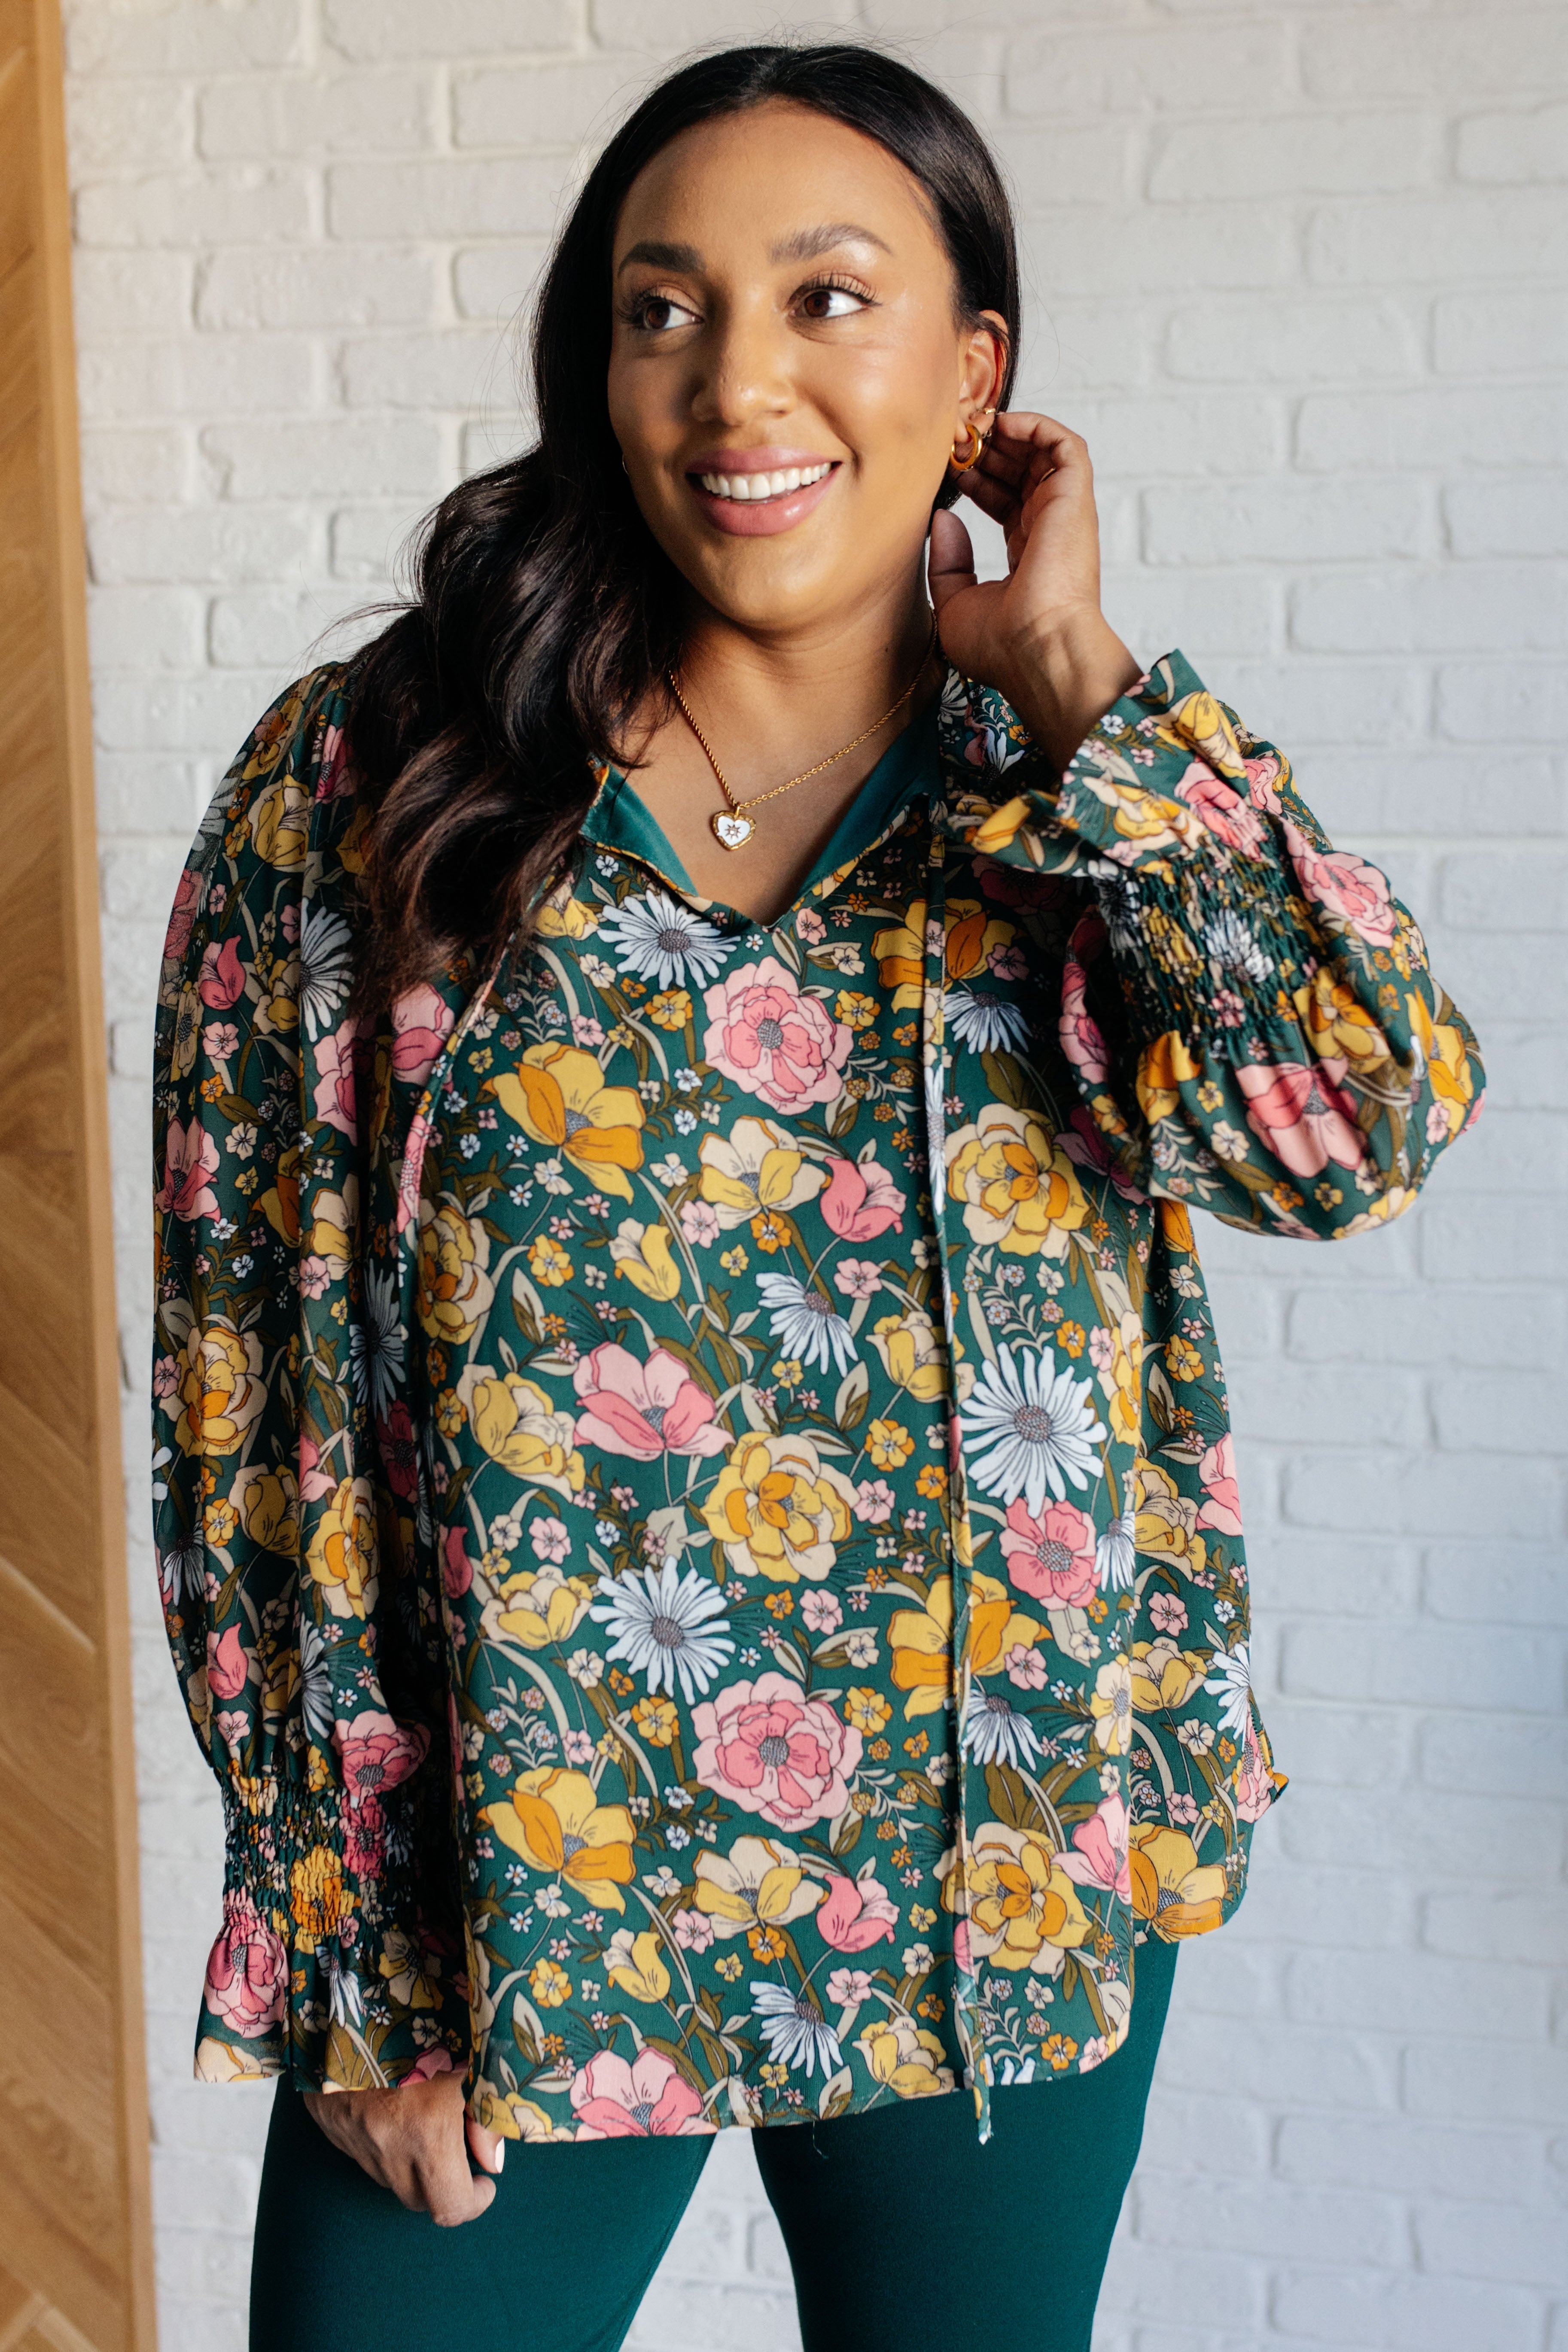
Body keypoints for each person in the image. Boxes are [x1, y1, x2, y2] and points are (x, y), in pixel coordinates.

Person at [150, 41, 1483, 2352]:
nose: (735, 381)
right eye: (660, 310)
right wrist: (345, 1938)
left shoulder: (1068, 791)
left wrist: (1077, 684)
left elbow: (1352, 1127)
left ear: (977, 373)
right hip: (513, 1892)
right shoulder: (375, 775)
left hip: (1004, 1860)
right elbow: (241, 1382)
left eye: (827, 298)